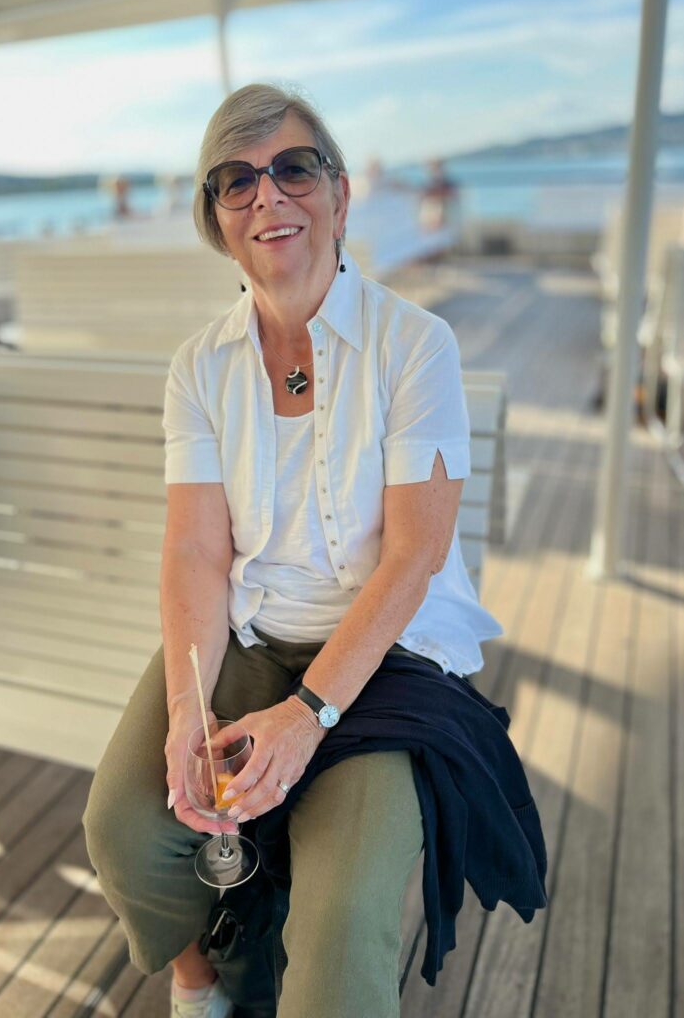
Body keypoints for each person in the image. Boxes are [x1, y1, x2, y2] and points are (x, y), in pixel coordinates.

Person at [83, 83, 545, 1018]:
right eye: (236, 181)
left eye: (293, 168)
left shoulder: (414, 345)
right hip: (250, 636)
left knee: (341, 926)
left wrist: (305, 716)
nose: (267, 195)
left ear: (338, 192)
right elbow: (195, 551)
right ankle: (197, 983)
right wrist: (186, 712)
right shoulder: (199, 368)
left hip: (386, 657)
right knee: (123, 828)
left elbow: (413, 555)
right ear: (218, 220)